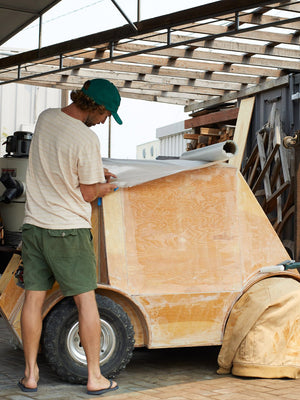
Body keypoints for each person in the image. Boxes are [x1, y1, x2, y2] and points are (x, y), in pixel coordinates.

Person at [19, 79, 121, 395]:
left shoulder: (46, 117)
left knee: (33, 299)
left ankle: (30, 375)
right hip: (68, 231)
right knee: (85, 301)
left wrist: (93, 175)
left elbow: (58, 165)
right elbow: (88, 192)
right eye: (106, 115)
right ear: (97, 107)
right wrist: (105, 187)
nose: (104, 122)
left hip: (35, 226)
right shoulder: (86, 139)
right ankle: (94, 377)